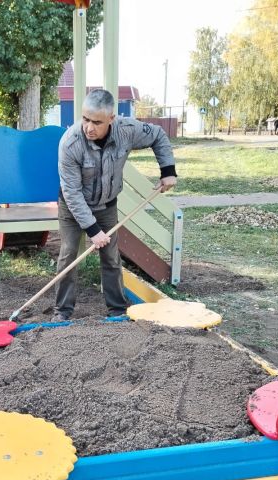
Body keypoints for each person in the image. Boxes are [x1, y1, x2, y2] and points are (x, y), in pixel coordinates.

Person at [53, 89, 177, 322]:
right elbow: (72, 192)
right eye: (85, 119)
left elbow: (158, 135)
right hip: (72, 207)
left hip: (106, 205)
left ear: (112, 119)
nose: (89, 127)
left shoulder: (127, 130)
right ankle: (62, 312)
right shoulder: (70, 143)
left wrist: (168, 170)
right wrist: (92, 230)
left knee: (111, 256)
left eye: (97, 122)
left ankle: (117, 309)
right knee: (68, 254)